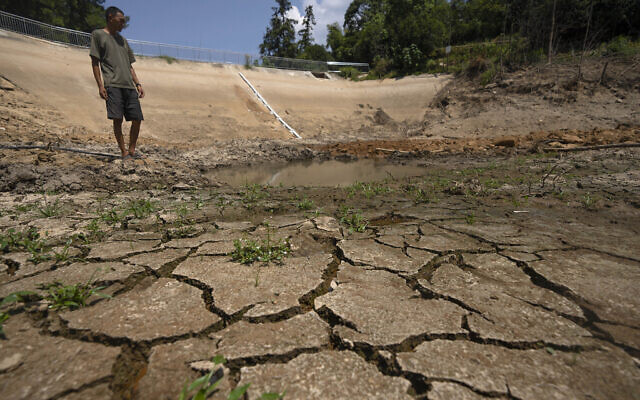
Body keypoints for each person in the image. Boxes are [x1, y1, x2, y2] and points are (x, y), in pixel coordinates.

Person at [90, 6, 145, 160]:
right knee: (117, 119)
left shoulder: (123, 40)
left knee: (137, 119)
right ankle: (123, 152)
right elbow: (95, 61)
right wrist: (100, 85)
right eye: (121, 20)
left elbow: (130, 65)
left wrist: (138, 84)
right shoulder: (98, 35)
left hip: (128, 85)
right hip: (112, 84)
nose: (123, 24)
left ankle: (132, 150)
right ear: (110, 18)